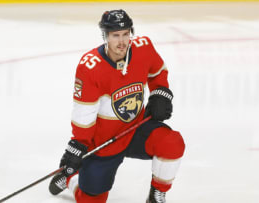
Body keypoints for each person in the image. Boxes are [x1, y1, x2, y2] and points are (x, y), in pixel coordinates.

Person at [49, 9, 185, 203]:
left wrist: (160, 93)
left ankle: (156, 195)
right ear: (105, 36)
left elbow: (157, 72)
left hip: (136, 128)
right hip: (104, 142)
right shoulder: (90, 67)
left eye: (125, 34)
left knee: (172, 143)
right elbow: (84, 113)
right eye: (115, 36)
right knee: (91, 200)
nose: (122, 42)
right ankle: (71, 179)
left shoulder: (143, 47)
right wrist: (78, 146)